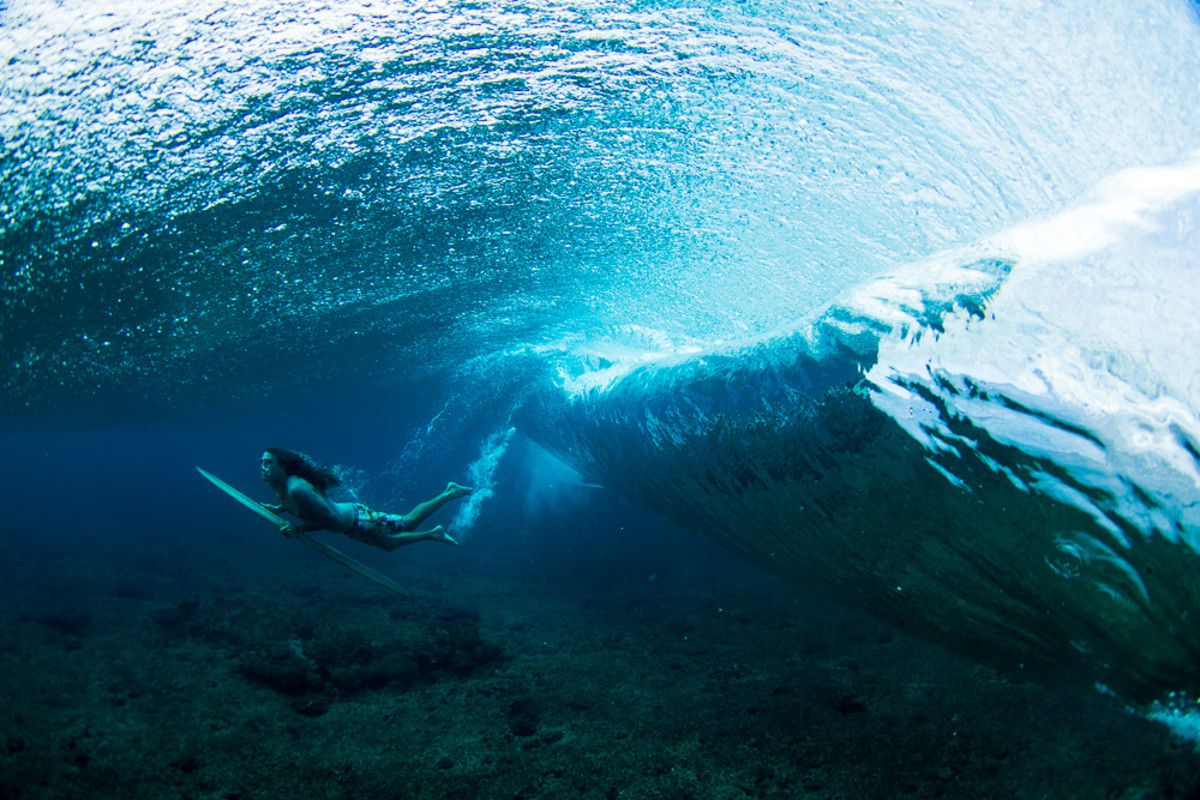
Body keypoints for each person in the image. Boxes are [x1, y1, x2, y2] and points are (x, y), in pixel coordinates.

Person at [260, 447, 470, 551]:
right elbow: (304, 508)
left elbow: (328, 518)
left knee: (405, 525)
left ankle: (447, 496)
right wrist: (280, 509)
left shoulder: (296, 488)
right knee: (392, 540)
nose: (263, 467)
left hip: (358, 521)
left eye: (268, 462)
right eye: (263, 462)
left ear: (283, 466)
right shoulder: (280, 488)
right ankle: (435, 531)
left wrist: (297, 529)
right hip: (353, 523)